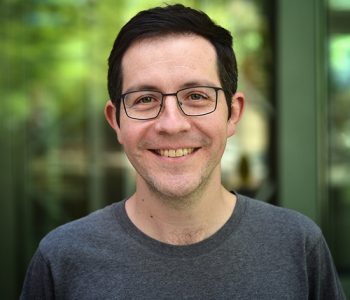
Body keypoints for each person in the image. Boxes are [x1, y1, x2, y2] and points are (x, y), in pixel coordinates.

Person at [21, 4, 345, 299]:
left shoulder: (298, 246)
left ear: (233, 113)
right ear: (115, 121)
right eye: (145, 99)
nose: (172, 124)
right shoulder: (62, 259)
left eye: (197, 96)